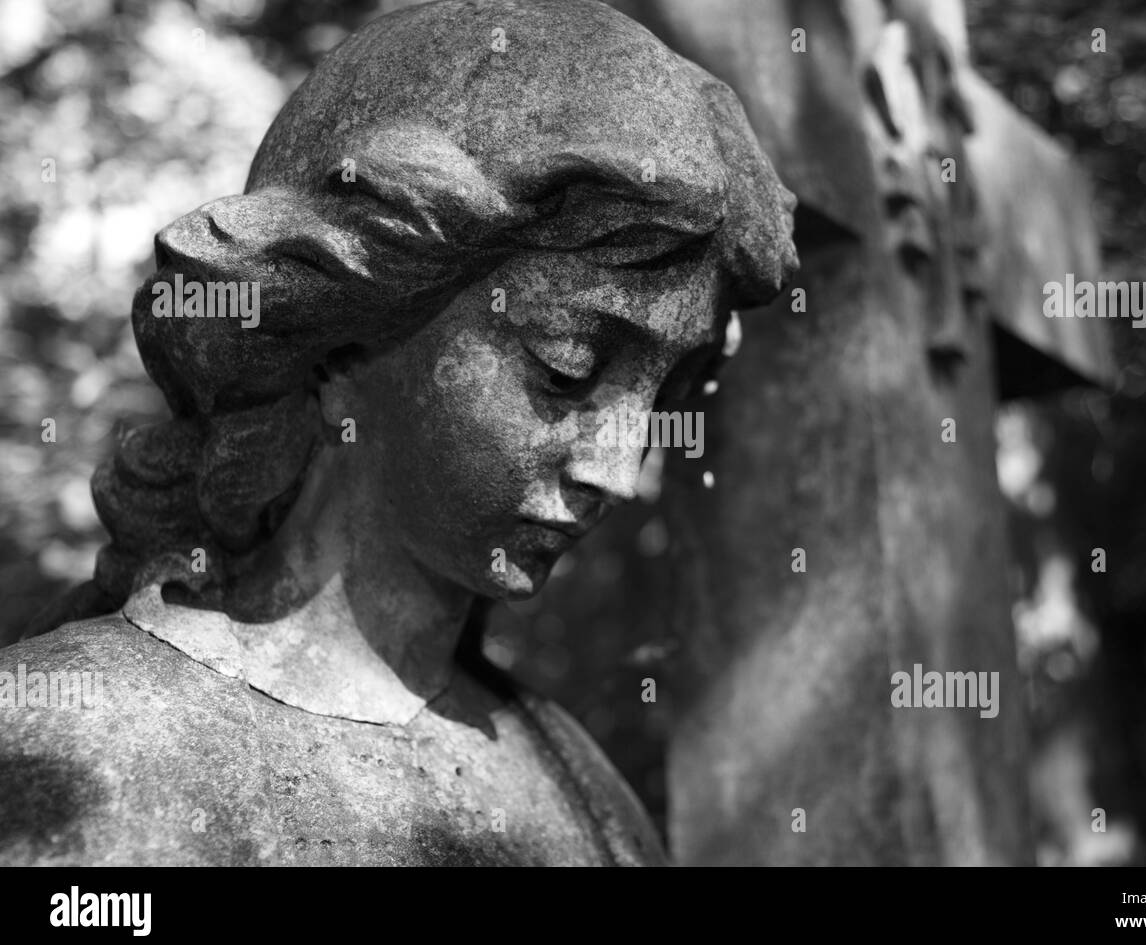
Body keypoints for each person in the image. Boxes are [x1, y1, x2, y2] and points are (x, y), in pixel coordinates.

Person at [0, 0, 796, 865]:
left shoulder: (587, 801)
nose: (619, 468)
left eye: (665, 397)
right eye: (567, 368)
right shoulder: (79, 743)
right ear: (339, 346)